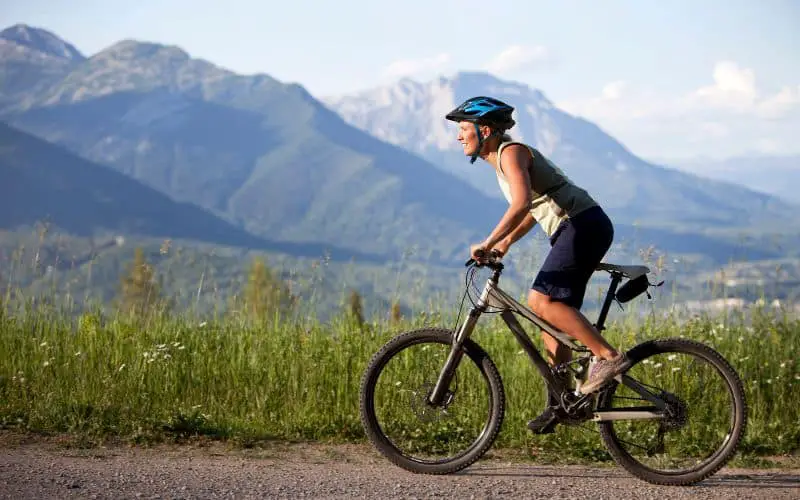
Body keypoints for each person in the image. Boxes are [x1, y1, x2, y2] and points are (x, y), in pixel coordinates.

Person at [445, 96, 631, 434]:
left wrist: (487, 242)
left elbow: (519, 204)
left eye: (462, 129)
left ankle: (608, 357)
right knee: (549, 322)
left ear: (483, 129)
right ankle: (562, 403)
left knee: (540, 301)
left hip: (581, 224)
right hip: (576, 227)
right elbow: (532, 208)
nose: (459, 137)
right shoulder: (503, 161)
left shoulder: (511, 153)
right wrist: (505, 243)